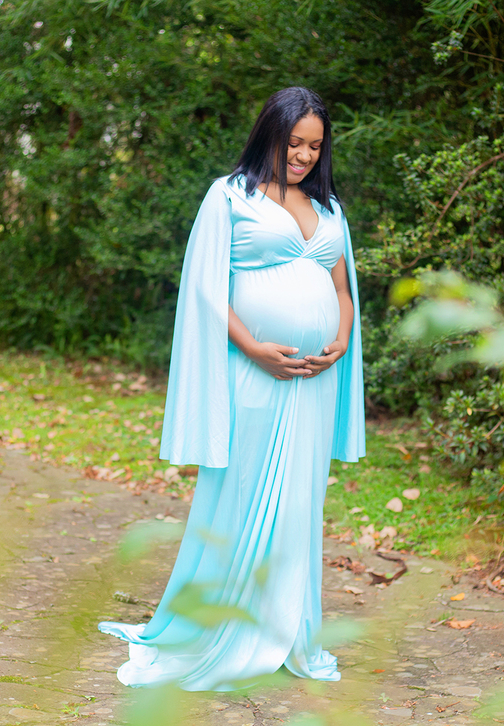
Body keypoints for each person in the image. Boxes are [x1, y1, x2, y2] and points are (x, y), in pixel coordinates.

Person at [98, 86, 365, 691]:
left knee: (300, 505)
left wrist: (343, 340)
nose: (302, 156)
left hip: (314, 383)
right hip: (256, 373)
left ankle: (290, 631)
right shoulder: (229, 196)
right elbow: (204, 287)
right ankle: (221, 628)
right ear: (270, 133)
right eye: (294, 142)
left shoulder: (330, 210)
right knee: (239, 496)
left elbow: (343, 294)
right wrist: (252, 347)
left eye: (314, 146)